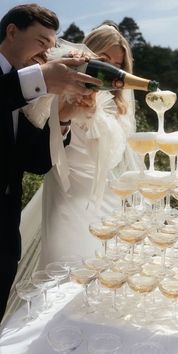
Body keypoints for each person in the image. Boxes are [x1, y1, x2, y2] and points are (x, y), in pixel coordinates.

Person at [0, 3, 101, 323]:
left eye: (50, 45)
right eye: (41, 42)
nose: (46, 52)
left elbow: (35, 162)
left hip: (4, 230)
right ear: (12, 32)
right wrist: (40, 78)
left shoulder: (23, 90)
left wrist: (65, 116)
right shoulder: (22, 85)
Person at [39, 24, 139, 266]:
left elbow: (117, 155)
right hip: (68, 194)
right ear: (89, 55)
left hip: (107, 198)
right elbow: (46, 146)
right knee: (67, 270)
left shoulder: (120, 104)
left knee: (108, 268)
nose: (111, 71)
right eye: (104, 60)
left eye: (118, 65)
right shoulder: (62, 90)